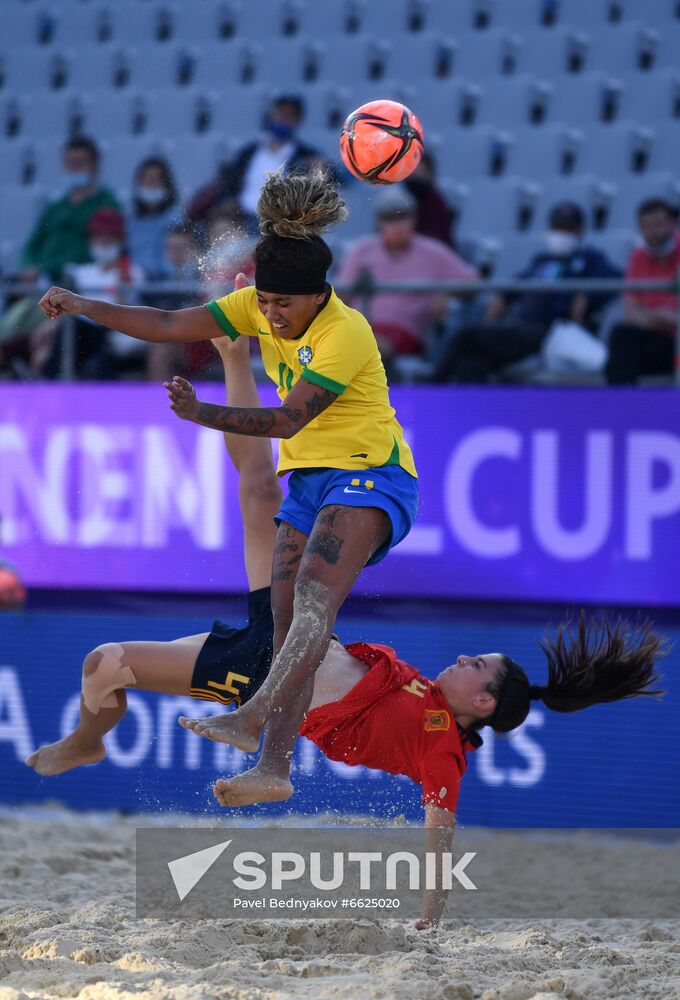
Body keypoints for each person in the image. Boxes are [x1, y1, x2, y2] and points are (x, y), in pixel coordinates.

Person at [25, 336, 666, 930]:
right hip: (281, 637)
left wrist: (430, 916)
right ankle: (232, 352)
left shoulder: (442, 749)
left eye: (479, 666)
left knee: (106, 663)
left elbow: (440, 834)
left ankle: (261, 753)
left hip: (264, 673)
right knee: (255, 492)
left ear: (484, 703)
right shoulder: (419, 687)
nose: (466, 657)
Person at [37, 169, 419, 808]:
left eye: (283, 306)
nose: (270, 314)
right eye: (263, 303)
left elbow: (288, 420)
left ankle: (252, 715)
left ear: (319, 294)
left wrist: (203, 413)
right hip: (312, 481)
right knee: (285, 619)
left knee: (314, 608)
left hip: (371, 473)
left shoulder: (345, 331)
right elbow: (164, 323)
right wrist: (83, 306)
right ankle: (271, 767)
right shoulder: (256, 307)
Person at [434, 202, 622, 383]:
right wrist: (502, 297)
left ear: (580, 231)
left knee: (467, 335)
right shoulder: (542, 260)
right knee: (473, 361)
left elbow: (616, 279)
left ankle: (431, 389)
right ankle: (474, 412)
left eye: (567, 228)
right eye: (556, 227)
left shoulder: (591, 259)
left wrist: (588, 295)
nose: (560, 233)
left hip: (550, 332)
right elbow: (516, 284)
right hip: (521, 328)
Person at [336, 185, 477, 362]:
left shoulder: (433, 252)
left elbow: (474, 282)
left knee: (368, 347)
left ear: (415, 219)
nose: (397, 226)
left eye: (403, 217)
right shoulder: (361, 250)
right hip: (360, 329)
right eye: (390, 218)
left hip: (404, 333)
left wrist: (447, 292)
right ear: (379, 222)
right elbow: (341, 297)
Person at [186, 95, 328, 230]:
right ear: (272, 116)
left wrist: (318, 170)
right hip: (239, 217)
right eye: (279, 114)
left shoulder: (306, 156)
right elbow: (229, 181)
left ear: (297, 120)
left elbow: (332, 180)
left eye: (289, 115)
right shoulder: (249, 152)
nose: (282, 119)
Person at [41, 208, 144, 379]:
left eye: (109, 237)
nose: (103, 242)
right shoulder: (79, 272)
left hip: (110, 329)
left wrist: (122, 277)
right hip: (80, 330)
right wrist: (49, 327)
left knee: (76, 333)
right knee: (31, 341)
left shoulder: (133, 272)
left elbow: (127, 308)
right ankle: (44, 383)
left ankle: (51, 381)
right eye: (99, 236)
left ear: (120, 240)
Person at [20, 136, 120, 283]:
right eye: (68, 162)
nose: (73, 168)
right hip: (44, 280)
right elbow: (32, 244)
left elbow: (103, 247)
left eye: (80, 162)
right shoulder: (55, 207)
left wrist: (52, 266)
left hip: (83, 282)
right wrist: (28, 266)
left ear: (95, 165)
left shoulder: (107, 203)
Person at [606, 198, 680, 384]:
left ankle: (622, 405)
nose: (652, 232)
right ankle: (623, 405)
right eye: (646, 226)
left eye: (658, 224)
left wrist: (654, 317)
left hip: (675, 343)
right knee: (621, 334)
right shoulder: (638, 255)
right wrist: (662, 317)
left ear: (673, 224)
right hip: (655, 339)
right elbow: (630, 313)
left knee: (620, 360)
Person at [126, 156, 181, 277]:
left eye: (156, 179)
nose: (151, 184)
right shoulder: (129, 221)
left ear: (167, 185)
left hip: (169, 286)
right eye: (146, 179)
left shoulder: (178, 218)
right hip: (135, 286)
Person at [404, 151, 457, 248]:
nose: (417, 176)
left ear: (430, 174)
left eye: (422, 172)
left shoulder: (436, 200)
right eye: (414, 171)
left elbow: (440, 237)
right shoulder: (399, 198)